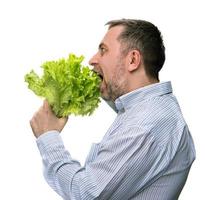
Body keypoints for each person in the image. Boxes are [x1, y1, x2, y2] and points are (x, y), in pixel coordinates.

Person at [30, 19, 196, 200]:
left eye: (103, 50)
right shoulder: (150, 110)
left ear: (132, 60)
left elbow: (86, 194)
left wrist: (48, 137)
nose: (92, 60)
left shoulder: (144, 125)